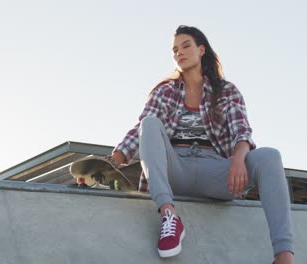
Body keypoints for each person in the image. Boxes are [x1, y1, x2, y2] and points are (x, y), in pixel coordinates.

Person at [107, 26, 294, 263]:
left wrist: (237, 160)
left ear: (201, 50)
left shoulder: (226, 91)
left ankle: (284, 254)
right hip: (177, 169)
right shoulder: (164, 91)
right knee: (150, 123)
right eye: (175, 49)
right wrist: (115, 159)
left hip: (216, 171)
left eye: (186, 46)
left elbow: (242, 131)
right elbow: (141, 131)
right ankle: (169, 216)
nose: (179, 53)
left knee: (270, 156)